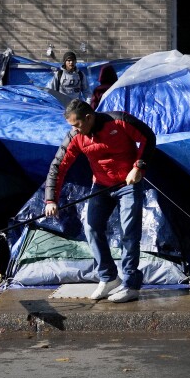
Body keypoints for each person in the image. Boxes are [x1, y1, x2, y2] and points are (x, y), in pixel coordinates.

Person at [43, 99, 155, 302]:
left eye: (77, 124)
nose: (75, 130)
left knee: (129, 232)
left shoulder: (119, 121)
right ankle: (109, 277)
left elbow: (148, 137)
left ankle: (130, 284)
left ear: (89, 117)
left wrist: (139, 166)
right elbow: (58, 166)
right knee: (91, 228)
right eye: (71, 127)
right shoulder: (76, 136)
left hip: (128, 183)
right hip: (102, 185)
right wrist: (51, 199)